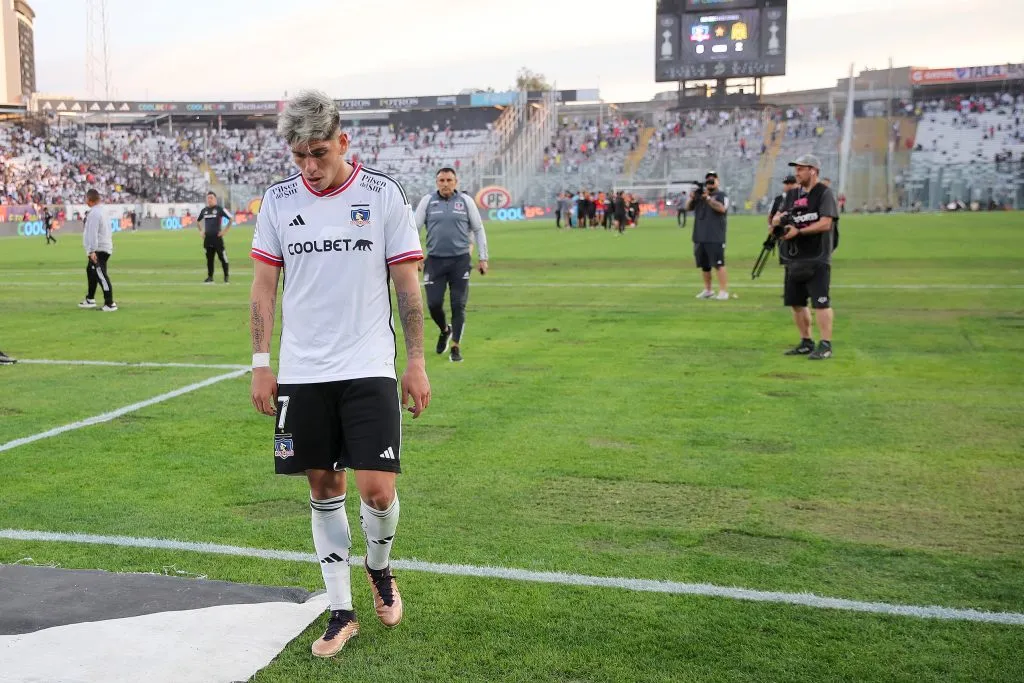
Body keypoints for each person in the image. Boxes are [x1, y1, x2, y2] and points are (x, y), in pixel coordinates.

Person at [249, 90, 430, 659]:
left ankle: (379, 567)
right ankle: (340, 610)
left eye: (319, 153)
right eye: (299, 155)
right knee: (323, 487)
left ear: (343, 142)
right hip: (303, 370)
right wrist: (261, 362)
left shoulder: (382, 195)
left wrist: (417, 360)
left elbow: (407, 286)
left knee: (377, 491)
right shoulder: (278, 202)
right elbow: (262, 287)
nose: (309, 166)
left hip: (369, 364)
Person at [413, 167, 490, 363]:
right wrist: (415, 256)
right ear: (436, 182)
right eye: (441, 180)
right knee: (433, 304)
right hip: (435, 261)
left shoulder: (465, 201)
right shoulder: (428, 201)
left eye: (449, 180)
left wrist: (483, 258)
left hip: (460, 261)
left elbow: (478, 229)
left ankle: (455, 347)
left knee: (458, 304)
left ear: (456, 182)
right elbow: (413, 229)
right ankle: (445, 330)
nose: (445, 184)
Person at [770, 154, 839, 360]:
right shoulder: (791, 195)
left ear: (813, 170)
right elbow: (776, 218)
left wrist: (799, 231)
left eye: (801, 169)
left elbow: (826, 223)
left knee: (821, 302)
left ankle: (825, 344)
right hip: (794, 257)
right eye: (796, 169)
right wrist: (780, 220)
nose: (796, 173)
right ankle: (806, 341)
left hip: (817, 256)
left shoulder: (824, 193)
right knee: (796, 303)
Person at [687, 171, 730, 300]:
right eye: (708, 180)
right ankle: (708, 290)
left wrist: (708, 198)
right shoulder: (700, 196)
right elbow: (688, 208)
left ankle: (723, 291)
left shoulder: (722, 195)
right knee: (704, 265)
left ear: (718, 181)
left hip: (715, 236)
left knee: (718, 264)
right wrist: (693, 197)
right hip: (700, 235)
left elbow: (722, 209)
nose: (710, 182)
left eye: (713, 180)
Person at [78, 189, 117, 312]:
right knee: (91, 270)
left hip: (99, 248)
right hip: (104, 246)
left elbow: (92, 233)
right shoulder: (103, 211)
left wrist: (92, 250)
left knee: (100, 274)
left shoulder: (94, 213)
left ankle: (110, 303)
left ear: (90, 199)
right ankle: (90, 299)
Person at [196, 192, 232, 283]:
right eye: (208, 198)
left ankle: (226, 276)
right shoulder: (204, 210)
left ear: (215, 199)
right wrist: (201, 232)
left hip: (217, 238)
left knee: (222, 258)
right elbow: (198, 221)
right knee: (209, 259)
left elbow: (231, 219)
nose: (209, 200)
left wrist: (224, 231)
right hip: (207, 239)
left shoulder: (219, 209)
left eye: (211, 198)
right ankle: (210, 277)